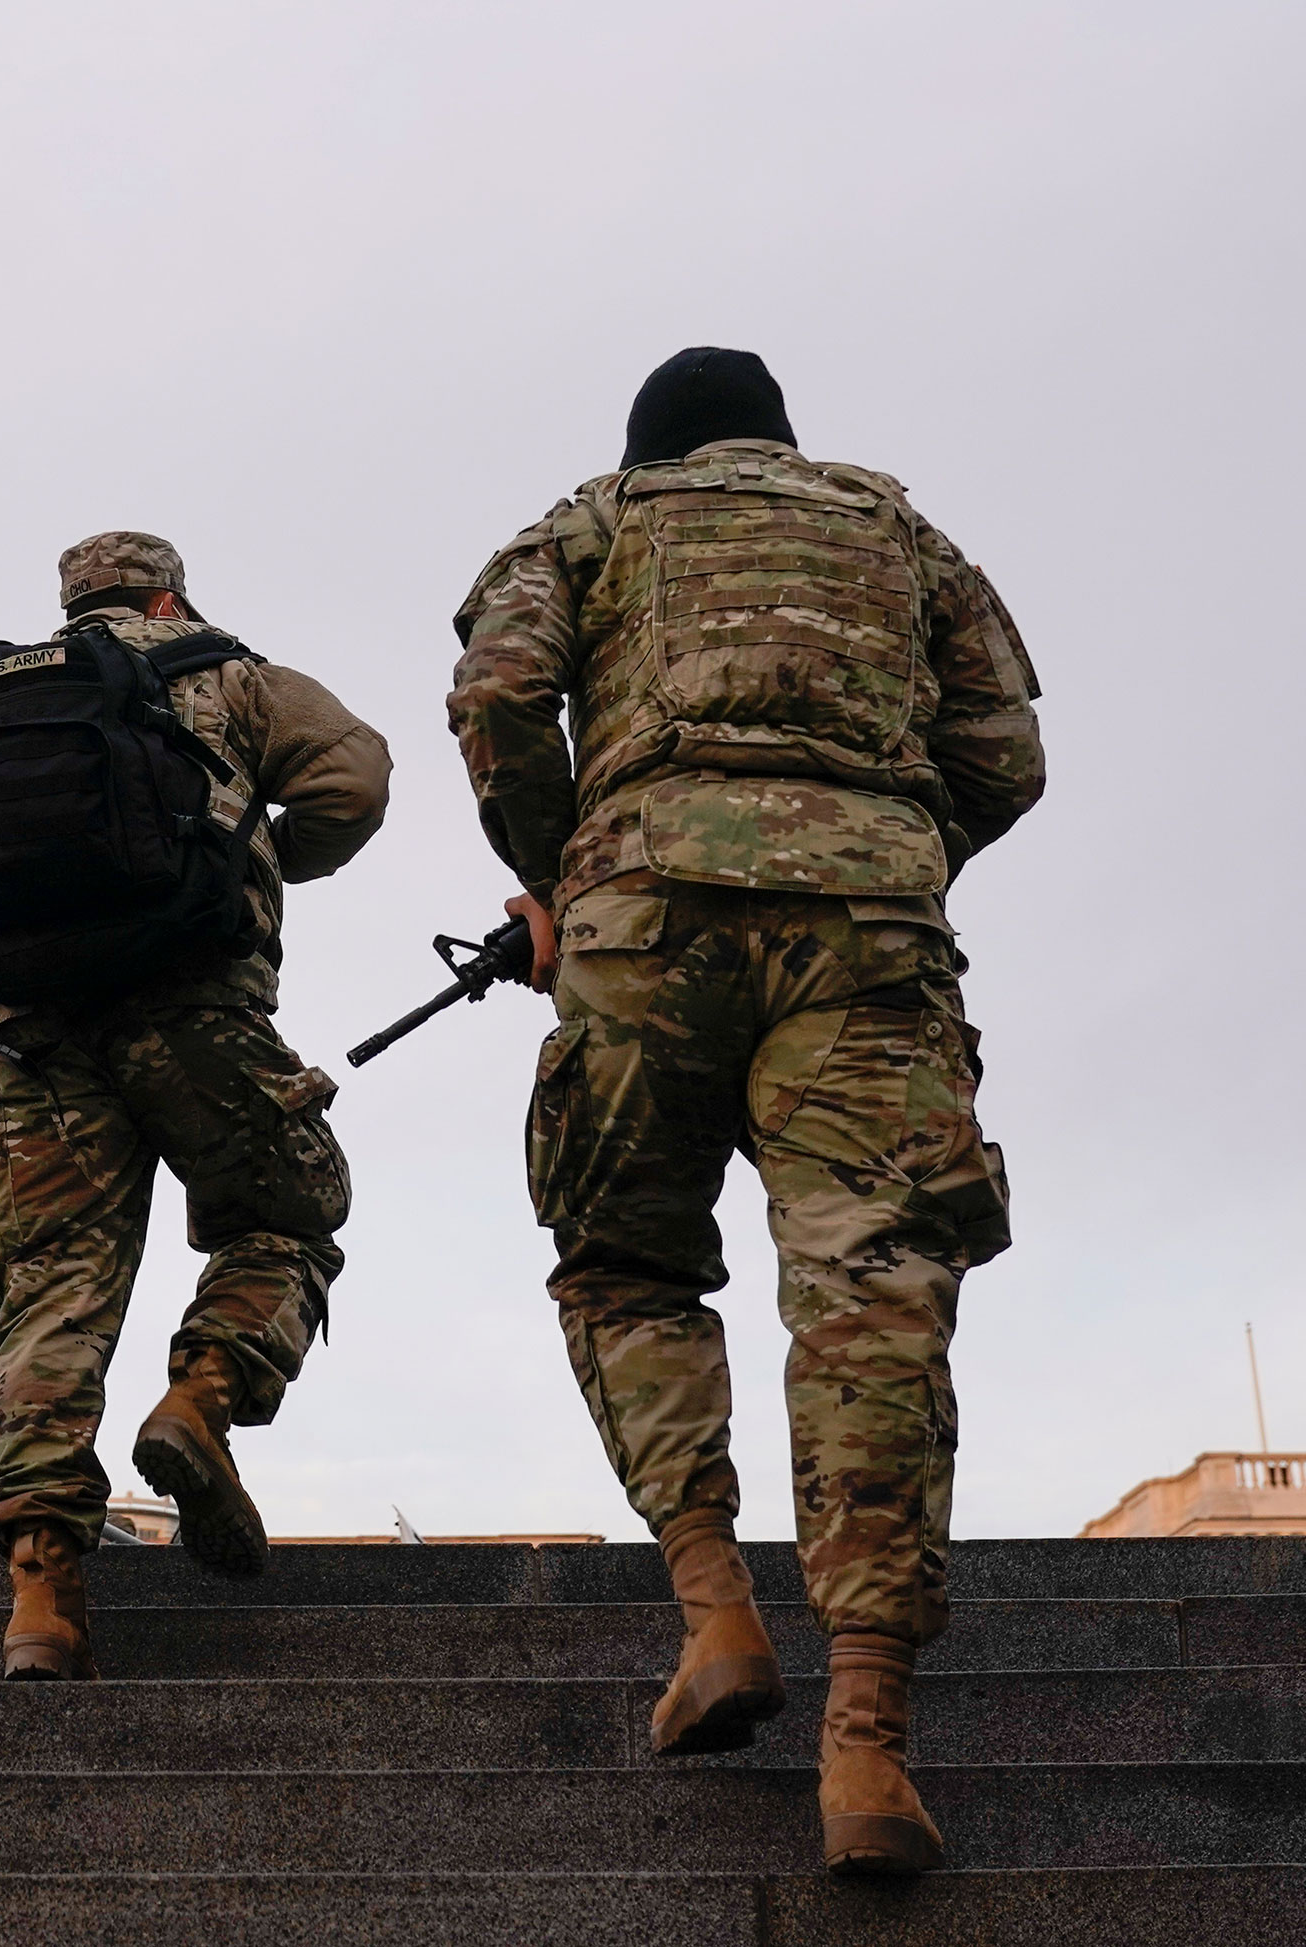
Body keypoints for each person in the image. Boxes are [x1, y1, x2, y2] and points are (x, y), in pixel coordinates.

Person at [448, 349, 1045, 1876]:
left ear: (652, 445)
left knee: (624, 1258)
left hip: (641, 915)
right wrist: (878, 838)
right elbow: (1006, 753)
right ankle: (869, 1744)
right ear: (780, 440)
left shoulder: (587, 521)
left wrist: (565, 867)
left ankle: (716, 1606)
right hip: (871, 927)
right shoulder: (904, 536)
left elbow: (503, 692)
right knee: (873, 1292)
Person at [0, 532, 390, 1679]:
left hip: (39, 1041)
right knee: (289, 1216)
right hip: (198, 1010)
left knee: (53, 1297)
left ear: (69, 609)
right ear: (169, 591)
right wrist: (250, 861)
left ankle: (42, 1603)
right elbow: (353, 781)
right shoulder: (234, 677)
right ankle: (203, 1397)